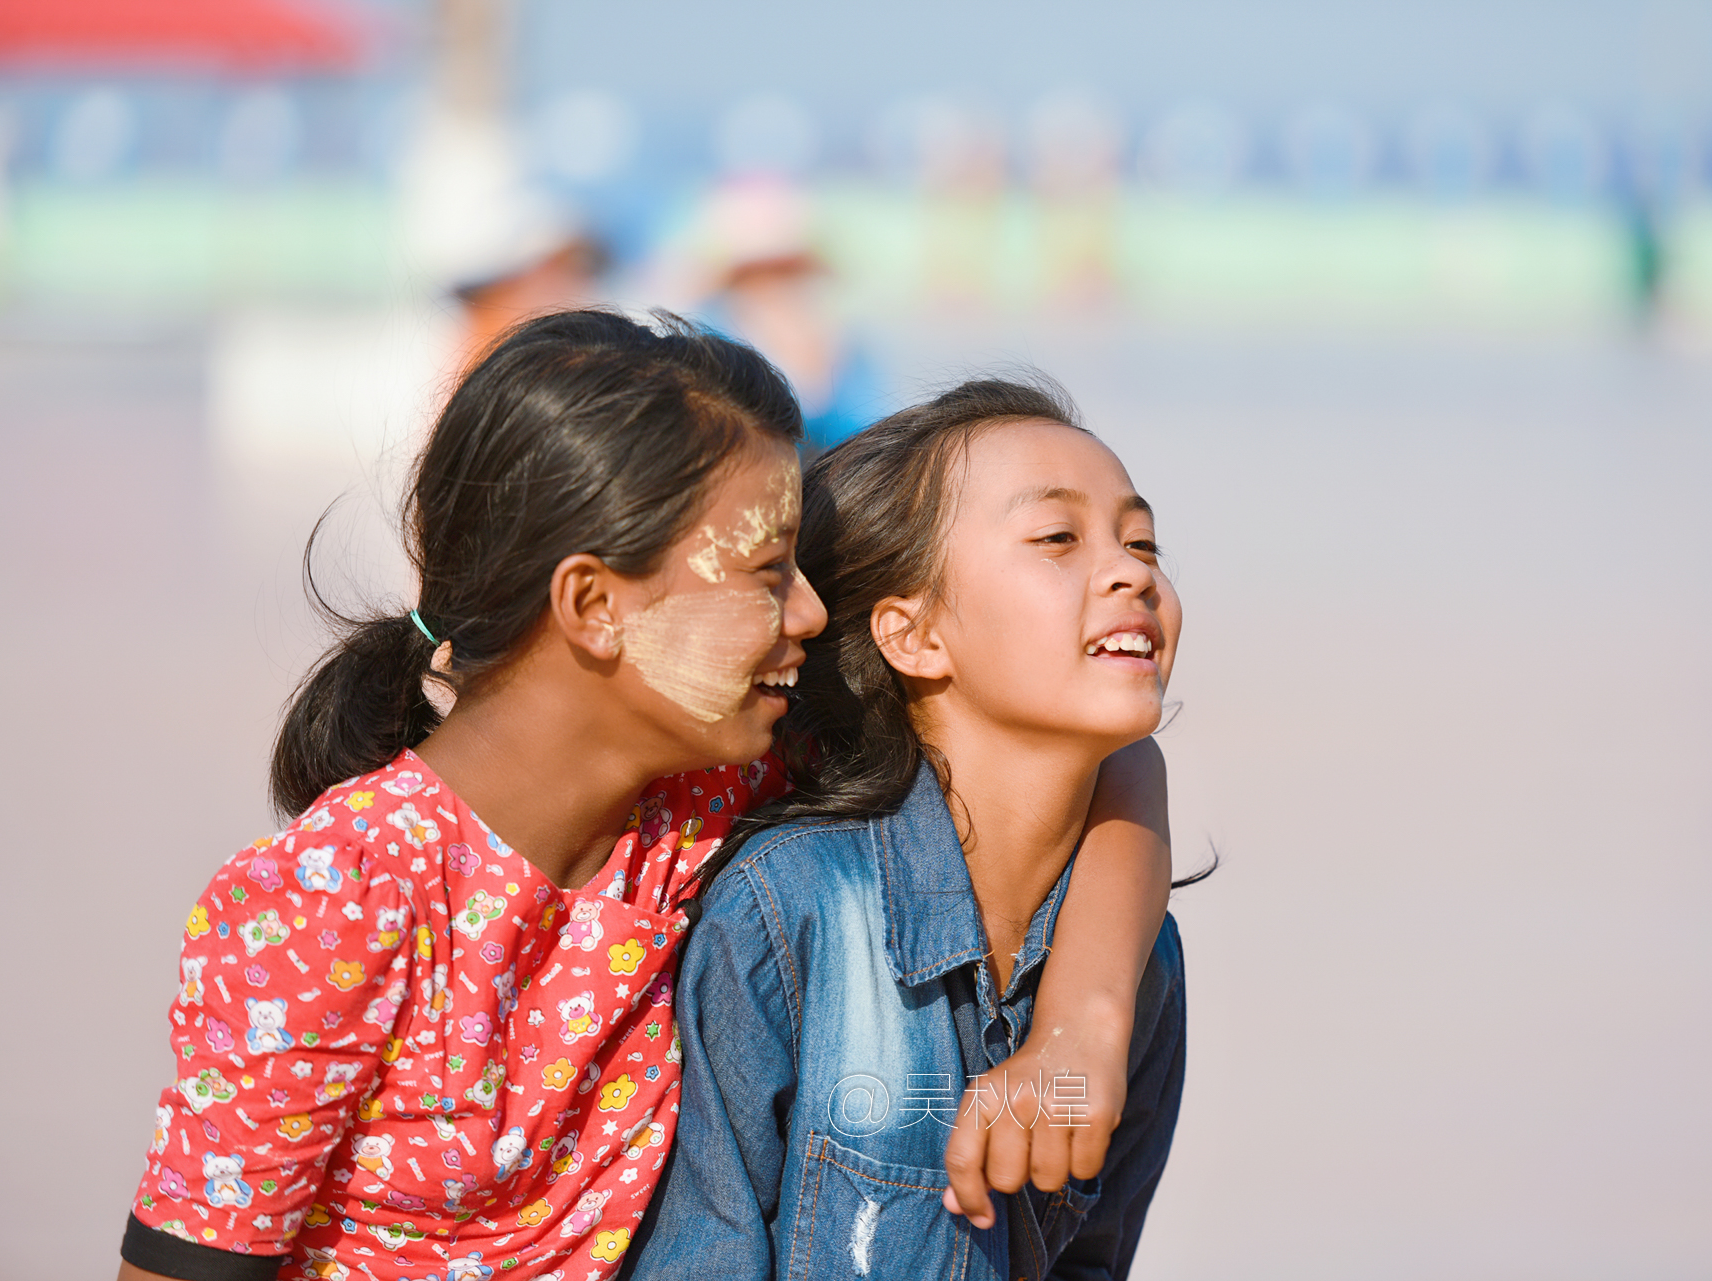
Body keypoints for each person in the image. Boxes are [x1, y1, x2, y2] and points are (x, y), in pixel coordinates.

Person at [120, 315, 1173, 1280]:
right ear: (594, 605)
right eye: (766, 572)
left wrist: (1084, 1017)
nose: (808, 611)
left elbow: (1108, 758)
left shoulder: (695, 812)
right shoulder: (334, 898)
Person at [632, 379, 1187, 1280]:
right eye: (1057, 538)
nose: (1133, 572)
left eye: (1142, 541)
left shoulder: (1141, 961)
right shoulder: (789, 911)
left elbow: (1091, 1258)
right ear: (914, 633)